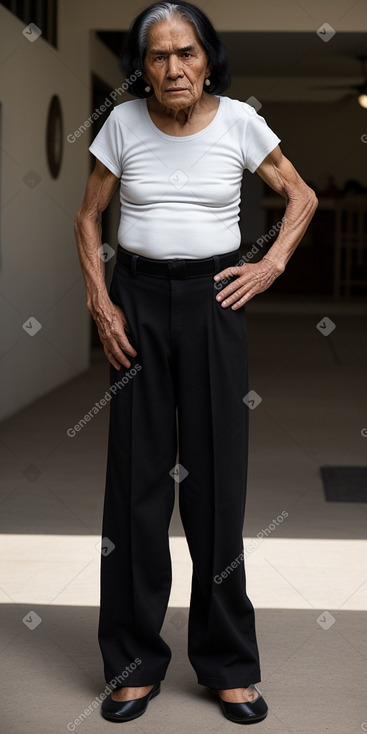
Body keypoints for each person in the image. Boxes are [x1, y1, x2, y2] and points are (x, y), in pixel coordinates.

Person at [74, 0, 318, 725]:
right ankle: (132, 664)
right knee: (135, 486)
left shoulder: (241, 120)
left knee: (215, 486)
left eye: (186, 52)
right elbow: (89, 215)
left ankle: (227, 664)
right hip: (138, 299)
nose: (173, 67)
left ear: (207, 56)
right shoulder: (121, 124)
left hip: (216, 300)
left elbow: (298, 195)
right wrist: (101, 301)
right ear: (141, 66)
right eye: (157, 55)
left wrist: (269, 265)